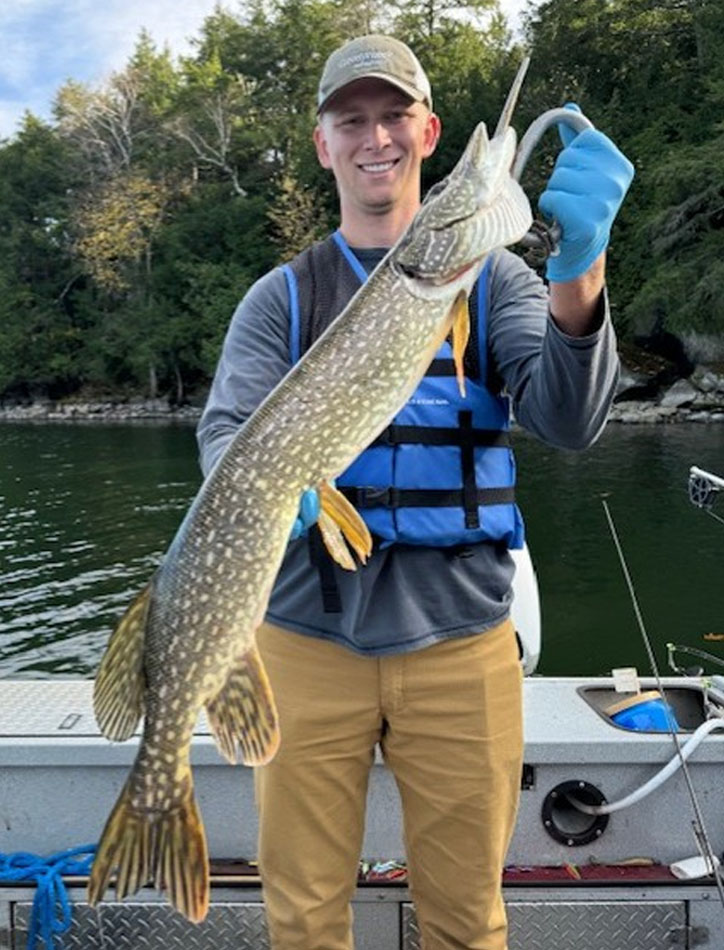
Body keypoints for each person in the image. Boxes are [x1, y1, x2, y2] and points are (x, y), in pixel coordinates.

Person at [197, 34, 633, 950]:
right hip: (306, 636)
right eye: (351, 120)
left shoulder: (497, 280)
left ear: (428, 134)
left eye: (395, 115)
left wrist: (582, 267)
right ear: (323, 144)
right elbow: (225, 433)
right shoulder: (281, 298)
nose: (376, 138)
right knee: (303, 920)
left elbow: (568, 421)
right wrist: (271, 481)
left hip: (461, 638)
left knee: (467, 922)